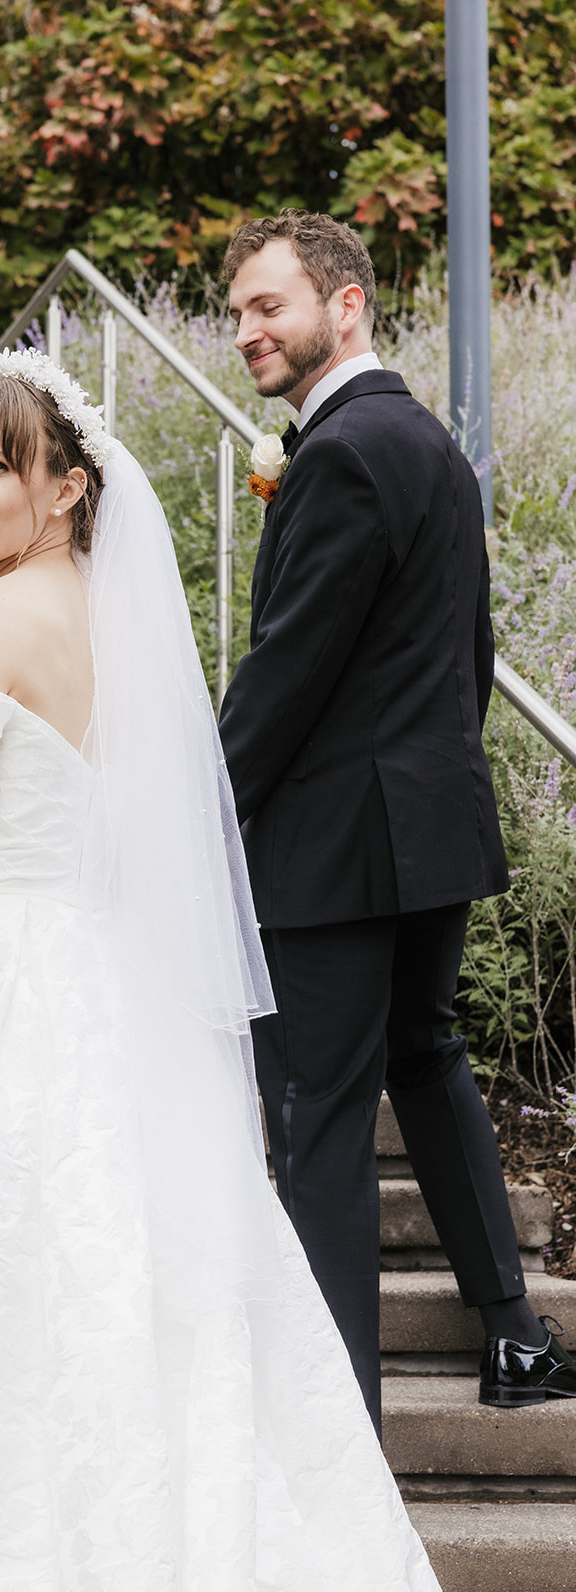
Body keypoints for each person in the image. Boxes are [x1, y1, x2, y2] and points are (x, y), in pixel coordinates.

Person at [0, 349, 446, 1592]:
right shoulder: (112, 625)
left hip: (1, 998)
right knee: (143, 1307)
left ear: (65, 487)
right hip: (115, 1005)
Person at [218, 209, 576, 1435]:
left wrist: (200, 808)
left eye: (269, 306)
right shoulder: (419, 437)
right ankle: (514, 1335)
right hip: (425, 825)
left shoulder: (339, 451)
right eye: (236, 313)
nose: (246, 331)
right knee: (423, 1059)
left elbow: (285, 673)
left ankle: (334, 1418)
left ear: (345, 302)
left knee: (315, 1112)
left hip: (334, 849)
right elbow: (461, 656)